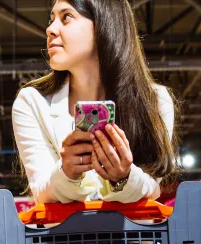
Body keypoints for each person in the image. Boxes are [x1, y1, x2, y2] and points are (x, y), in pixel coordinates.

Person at [12, 0, 178, 204]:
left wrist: (123, 177)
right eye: (51, 19)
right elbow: (41, 191)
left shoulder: (155, 100)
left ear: (104, 24)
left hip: (132, 226)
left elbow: (152, 187)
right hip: (63, 227)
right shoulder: (32, 102)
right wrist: (66, 173)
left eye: (66, 17)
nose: (50, 29)